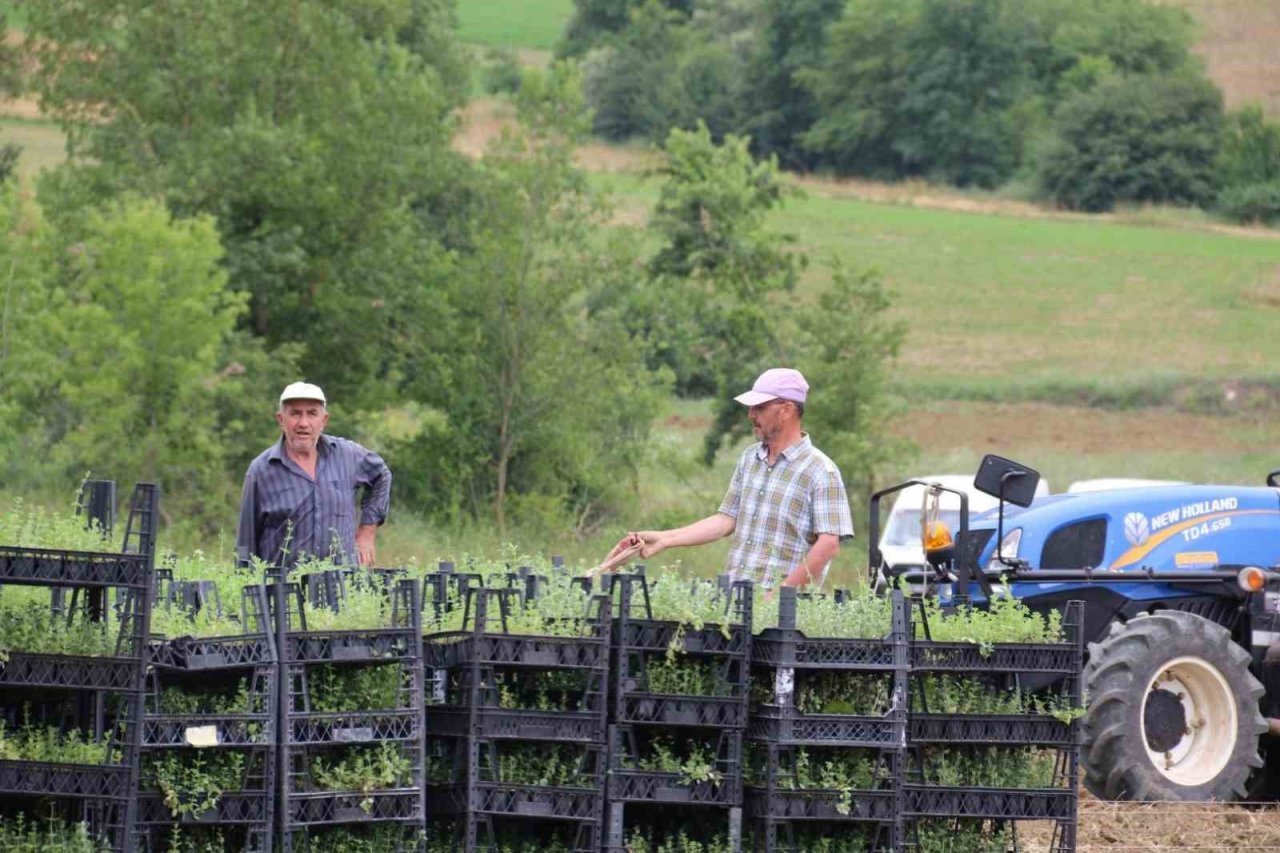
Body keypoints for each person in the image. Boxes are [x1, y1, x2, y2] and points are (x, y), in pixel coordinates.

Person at [609, 368, 854, 590]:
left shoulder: (822, 471)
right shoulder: (750, 458)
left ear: (786, 410)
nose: (750, 414)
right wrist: (664, 538)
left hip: (785, 619)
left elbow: (828, 545)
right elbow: (726, 520)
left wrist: (780, 597)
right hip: (737, 602)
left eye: (759, 407)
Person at [236, 382, 392, 567]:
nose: (303, 423)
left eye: (312, 413)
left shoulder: (348, 455)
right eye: (295, 413)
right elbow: (246, 544)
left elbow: (381, 475)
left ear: (324, 420)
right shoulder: (261, 470)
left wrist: (367, 532)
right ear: (281, 419)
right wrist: (246, 585)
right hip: (284, 590)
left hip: (343, 589)